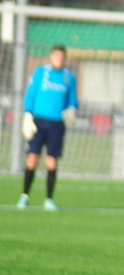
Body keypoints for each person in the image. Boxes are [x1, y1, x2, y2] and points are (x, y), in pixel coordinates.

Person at [16, 44, 78, 211]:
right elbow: (31, 94)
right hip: (38, 121)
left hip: (57, 124)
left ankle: (49, 199)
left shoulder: (69, 78)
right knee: (32, 158)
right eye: (56, 55)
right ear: (51, 56)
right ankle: (24, 197)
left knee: (51, 161)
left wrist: (71, 110)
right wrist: (27, 114)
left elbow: (72, 100)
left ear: (64, 58)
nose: (58, 59)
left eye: (61, 56)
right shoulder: (40, 72)